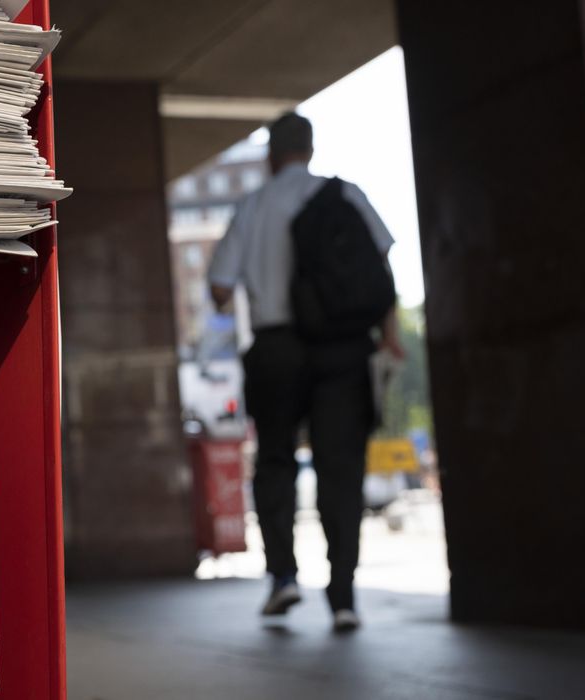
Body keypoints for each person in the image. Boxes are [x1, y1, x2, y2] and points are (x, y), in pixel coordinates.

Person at [207, 112, 403, 632]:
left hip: (276, 349)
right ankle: (343, 598)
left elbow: (221, 288)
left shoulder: (252, 206)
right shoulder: (346, 195)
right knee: (341, 471)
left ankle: (283, 579)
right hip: (342, 350)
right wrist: (390, 336)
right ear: (311, 149)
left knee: (275, 462)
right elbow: (381, 269)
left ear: (272, 153)